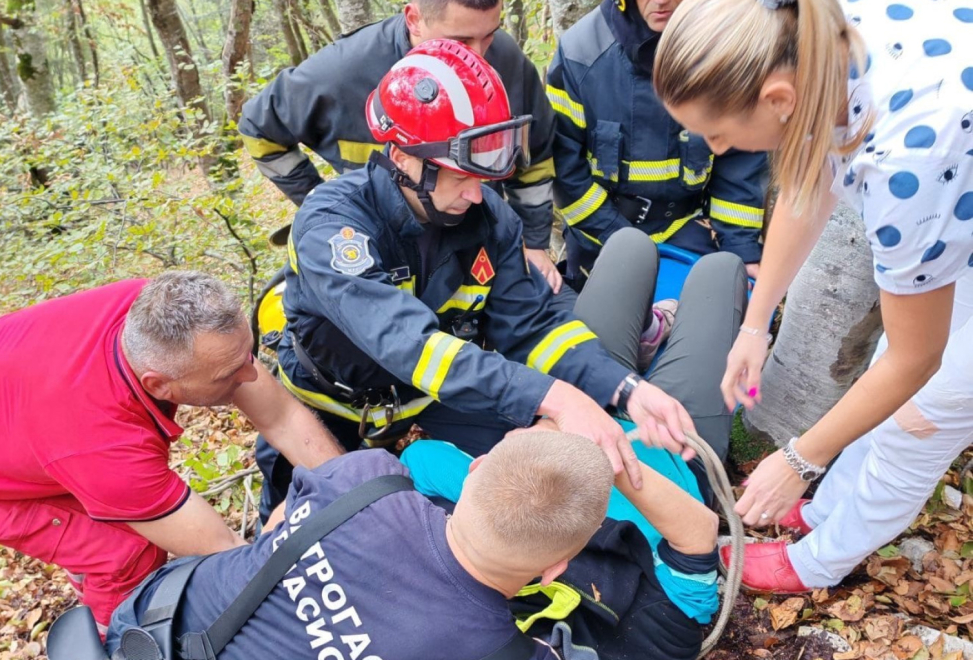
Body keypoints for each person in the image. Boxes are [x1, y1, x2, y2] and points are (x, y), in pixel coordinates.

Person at [260, 39, 751, 520]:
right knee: (312, 531)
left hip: (432, 400)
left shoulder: (486, 217)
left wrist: (624, 389)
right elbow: (412, 346)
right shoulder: (334, 228)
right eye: (461, 177)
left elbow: (533, 326)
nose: (478, 196)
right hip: (331, 408)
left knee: (543, 484)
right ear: (405, 158)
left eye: (484, 177)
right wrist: (555, 396)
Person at [653, 0, 973, 592]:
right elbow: (810, 181)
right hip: (955, 199)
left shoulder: (906, 156)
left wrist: (801, 460)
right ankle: (829, 512)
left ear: (777, 100)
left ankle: (818, 562)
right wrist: (754, 325)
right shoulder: (812, 38)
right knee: (888, 376)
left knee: (922, 414)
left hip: (946, 179)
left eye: (716, 133)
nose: (714, 150)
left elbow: (916, 360)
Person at [105, 430, 718, 660]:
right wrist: (611, 468)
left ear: (471, 474)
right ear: (554, 567)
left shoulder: (364, 479)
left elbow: (277, 534)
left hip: (153, 631)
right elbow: (698, 534)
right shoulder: (505, 649)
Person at [0, 271, 342, 630]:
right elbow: (229, 554)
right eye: (228, 375)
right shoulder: (109, 449)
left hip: (5, 390)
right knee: (125, 553)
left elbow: (283, 417)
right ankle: (113, 639)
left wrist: (349, 490)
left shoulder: (154, 313)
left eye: (248, 355)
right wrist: (290, 533)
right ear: (159, 385)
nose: (251, 375)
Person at [238, 0, 565, 294]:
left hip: (475, 239)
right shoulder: (344, 71)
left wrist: (533, 243)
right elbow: (258, 128)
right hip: (383, 256)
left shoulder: (505, 60)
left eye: (490, 35)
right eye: (460, 41)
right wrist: (315, 197)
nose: (478, 56)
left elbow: (534, 160)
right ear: (414, 19)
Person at [545, 0, 768, 292]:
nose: (662, 1)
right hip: (600, 237)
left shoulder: (726, 47)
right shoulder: (580, 52)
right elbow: (562, 168)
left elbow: (740, 158)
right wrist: (620, 240)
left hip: (688, 231)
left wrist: (741, 248)